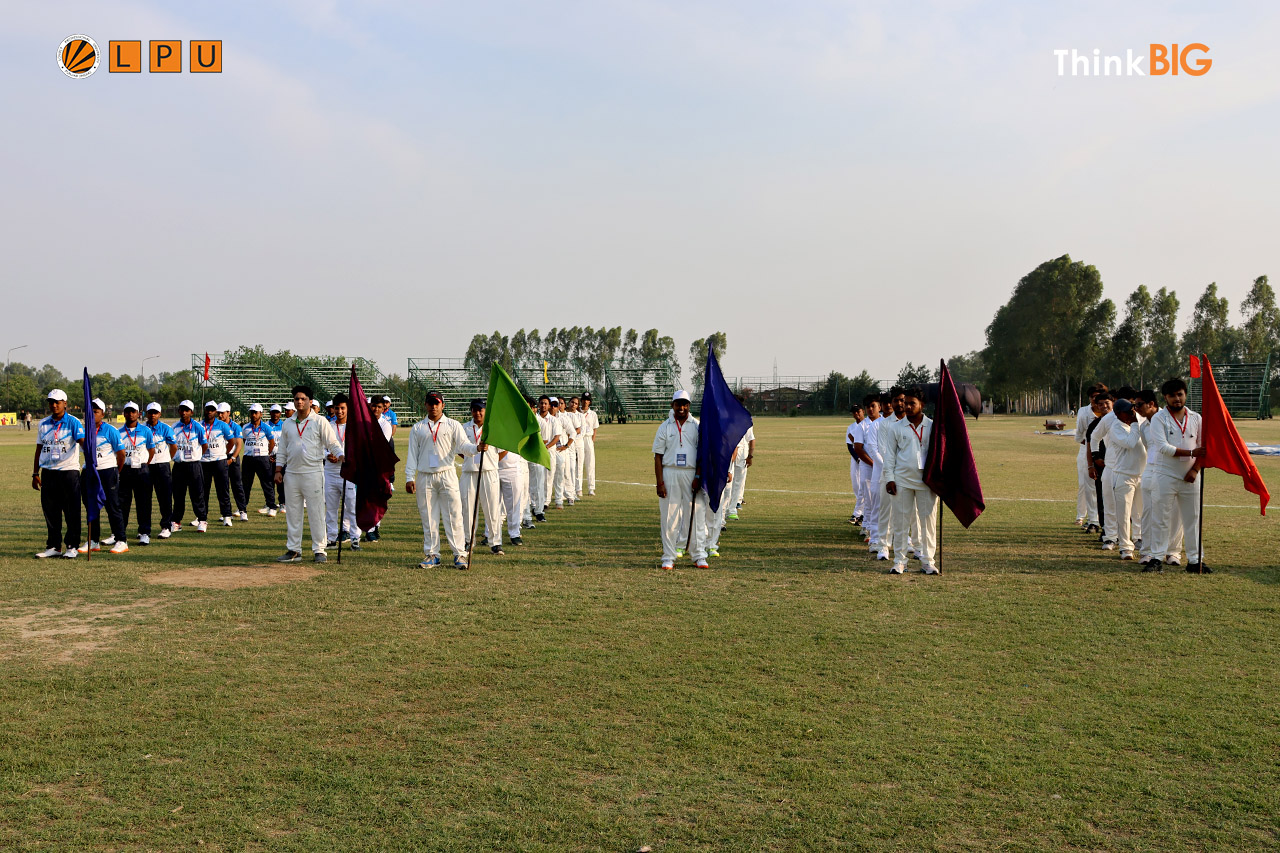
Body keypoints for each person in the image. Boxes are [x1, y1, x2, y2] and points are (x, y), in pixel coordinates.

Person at [274, 385, 345, 563]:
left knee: (316, 512)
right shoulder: (288, 423)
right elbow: (282, 448)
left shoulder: (319, 421)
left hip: (313, 472)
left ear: (310, 401)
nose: (299, 401)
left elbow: (332, 442)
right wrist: (278, 469)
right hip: (291, 473)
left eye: (303, 399)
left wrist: (341, 455)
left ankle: (320, 550)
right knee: (293, 513)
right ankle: (294, 550)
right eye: (296, 399)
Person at [404, 390, 474, 569]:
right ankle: (432, 554)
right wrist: (409, 477)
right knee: (428, 516)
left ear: (443, 405)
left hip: (447, 474)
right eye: (430, 403)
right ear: (425, 405)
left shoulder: (452, 425)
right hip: (425, 476)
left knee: (454, 515)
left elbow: (463, 446)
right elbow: (412, 454)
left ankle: (460, 554)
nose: (433, 406)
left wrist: (476, 448)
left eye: (437, 403)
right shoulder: (418, 428)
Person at [1146, 378, 1207, 573]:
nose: (1177, 399)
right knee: (1161, 518)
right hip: (1165, 475)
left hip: (1191, 476)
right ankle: (1156, 558)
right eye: (1172, 395)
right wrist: (1190, 454)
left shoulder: (1197, 418)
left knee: (1193, 518)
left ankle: (1195, 560)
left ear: (1185, 394)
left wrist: (1195, 469)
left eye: (1180, 394)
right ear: (1165, 397)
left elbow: (1203, 449)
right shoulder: (1158, 418)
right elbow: (1163, 447)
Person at [883, 386, 939, 575]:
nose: (906, 406)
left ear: (922, 405)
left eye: (911, 403)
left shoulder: (933, 426)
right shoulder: (895, 427)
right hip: (902, 481)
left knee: (928, 524)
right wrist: (889, 478)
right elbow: (889, 455)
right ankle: (900, 561)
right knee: (900, 522)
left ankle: (928, 561)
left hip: (927, 482)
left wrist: (941, 480)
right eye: (905, 403)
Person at [653, 390, 708, 570]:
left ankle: (699, 555)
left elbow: (702, 455)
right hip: (670, 473)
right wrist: (660, 482)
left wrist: (698, 476)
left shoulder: (697, 426)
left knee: (697, 516)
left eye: (685, 404)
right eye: (678, 404)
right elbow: (658, 457)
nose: (682, 408)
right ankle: (668, 556)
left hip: (692, 473)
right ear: (672, 405)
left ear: (689, 406)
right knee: (670, 518)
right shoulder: (665, 426)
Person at [32, 389, 85, 558]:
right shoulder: (43, 423)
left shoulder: (74, 422)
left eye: (57, 402)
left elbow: (83, 444)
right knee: (51, 511)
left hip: (69, 472)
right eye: (51, 402)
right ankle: (54, 546)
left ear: (65, 403)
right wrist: (35, 473)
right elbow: (39, 448)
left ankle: (72, 546)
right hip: (49, 473)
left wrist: (91, 463)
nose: (54, 405)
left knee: (71, 511)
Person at [81, 397, 128, 553]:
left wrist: (115, 471)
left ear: (102, 414)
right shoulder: (83, 430)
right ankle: (93, 541)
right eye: (89, 411)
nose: (92, 414)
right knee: (91, 507)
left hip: (107, 471)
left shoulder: (111, 430)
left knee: (113, 506)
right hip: (89, 472)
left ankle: (121, 540)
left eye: (95, 412)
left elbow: (121, 454)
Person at [459, 398, 505, 555]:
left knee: (492, 508)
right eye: (475, 409)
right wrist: (470, 458)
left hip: (489, 472)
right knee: (468, 509)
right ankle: (468, 541)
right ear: (471, 411)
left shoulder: (493, 428)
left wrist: (490, 462)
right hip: (469, 473)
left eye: (481, 410)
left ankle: (495, 542)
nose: (477, 413)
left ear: (485, 411)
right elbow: (460, 449)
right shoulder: (464, 427)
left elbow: (503, 450)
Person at [1104, 398, 1147, 562]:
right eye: (1128, 411)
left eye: (1133, 410)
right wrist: (1136, 424)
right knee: (1123, 515)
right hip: (1124, 476)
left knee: (1141, 513)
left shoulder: (1137, 423)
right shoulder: (1116, 427)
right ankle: (1125, 548)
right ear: (1118, 413)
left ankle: (1141, 541)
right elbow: (1130, 443)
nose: (1132, 413)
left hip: (1141, 475)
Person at [1135, 390, 1172, 567]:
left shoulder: (1167, 420)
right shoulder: (1143, 427)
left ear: (1151, 404)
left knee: (1172, 513)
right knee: (1148, 512)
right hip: (1150, 471)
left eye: (1139, 405)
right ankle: (1147, 552)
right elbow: (1147, 446)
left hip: (1169, 470)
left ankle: (1172, 552)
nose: (1136, 409)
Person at [323, 394, 360, 551]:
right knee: (330, 507)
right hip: (330, 472)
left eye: (342, 408)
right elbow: (320, 446)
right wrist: (327, 455)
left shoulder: (354, 428)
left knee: (351, 506)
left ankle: (355, 539)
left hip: (349, 472)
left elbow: (360, 449)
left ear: (348, 409)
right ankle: (331, 538)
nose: (339, 411)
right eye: (336, 408)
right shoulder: (327, 426)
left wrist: (347, 457)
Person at [118, 402, 156, 546]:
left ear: (138, 413)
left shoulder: (146, 431)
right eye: (127, 411)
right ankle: (120, 533)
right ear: (124, 413)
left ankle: (145, 532)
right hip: (125, 470)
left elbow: (151, 450)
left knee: (144, 503)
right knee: (122, 504)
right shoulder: (119, 432)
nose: (130, 414)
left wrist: (145, 464)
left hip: (141, 470)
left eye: (133, 411)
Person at [853, 395, 885, 558]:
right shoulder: (862, 426)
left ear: (880, 407)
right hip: (868, 466)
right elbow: (858, 448)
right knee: (869, 498)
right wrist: (875, 463)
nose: (870, 409)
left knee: (882, 499)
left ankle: (878, 530)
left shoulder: (885, 423)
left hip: (883, 466)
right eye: (868, 407)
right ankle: (869, 530)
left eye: (873, 406)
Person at [170, 400, 209, 533]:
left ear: (192, 412)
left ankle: (202, 520)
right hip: (179, 465)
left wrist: (196, 456)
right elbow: (171, 445)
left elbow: (204, 445)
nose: (184, 412)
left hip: (194, 465)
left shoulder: (198, 427)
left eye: (187, 410)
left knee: (197, 494)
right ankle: (176, 522)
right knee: (178, 495)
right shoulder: (174, 427)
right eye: (182, 409)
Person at [1073, 383, 1106, 530]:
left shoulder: (1109, 412)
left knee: (1103, 487)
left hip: (1106, 452)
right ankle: (1092, 520)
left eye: (1098, 397)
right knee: (1087, 485)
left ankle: (1103, 520)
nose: (1096, 401)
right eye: (1093, 397)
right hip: (1085, 450)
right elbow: (1079, 435)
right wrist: (1090, 445)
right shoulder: (1083, 412)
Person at [200, 402, 237, 527]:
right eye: (208, 409)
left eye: (212, 410)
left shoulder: (222, 425)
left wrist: (224, 453)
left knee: (223, 490)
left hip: (219, 462)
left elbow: (231, 441)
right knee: (203, 491)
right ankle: (201, 517)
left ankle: (227, 516)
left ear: (215, 411)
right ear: (204, 410)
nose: (210, 412)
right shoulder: (199, 425)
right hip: (204, 462)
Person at [144, 403, 177, 539]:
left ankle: (166, 526)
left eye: (155, 412)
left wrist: (167, 458)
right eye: (150, 412)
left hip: (162, 466)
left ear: (160, 414)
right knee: (145, 498)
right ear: (146, 413)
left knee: (164, 498)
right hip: (146, 466)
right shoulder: (141, 428)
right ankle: (145, 528)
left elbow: (173, 446)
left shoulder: (165, 428)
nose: (152, 415)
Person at [241, 404, 279, 516]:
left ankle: (272, 506)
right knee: (246, 484)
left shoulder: (266, 428)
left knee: (267, 483)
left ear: (261, 414)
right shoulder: (245, 427)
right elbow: (245, 440)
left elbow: (271, 443)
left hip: (262, 458)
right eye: (252, 412)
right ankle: (242, 508)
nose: (253, 415)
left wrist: (266, 454)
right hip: (248, 458)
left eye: (256, 412)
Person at [218, 403, 249, 521]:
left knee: (237, 485)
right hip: (220, 458)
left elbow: (239, 445)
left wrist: (232, 459)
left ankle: (242, 510)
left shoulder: (235, 426)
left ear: (228, 413)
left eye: (222, 413)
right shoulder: (216, 425)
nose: (220, 415)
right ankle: (227, 513)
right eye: (219, 413)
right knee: (223, 486)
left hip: (233, 458)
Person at [531, 396, 557, 522]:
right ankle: (532, 507)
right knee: (529, 484)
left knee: (541, 482)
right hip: (528, 456)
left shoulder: (545, 421)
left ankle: (540, 509)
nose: (543, 406)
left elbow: (547, 439)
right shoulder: (532, 419)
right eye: (541, 403)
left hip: (541, 454)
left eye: (545, 403)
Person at [728, 413, 754, 521]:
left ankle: (732, 509)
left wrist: (750, 456)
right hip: (728, 455)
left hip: (741, 456)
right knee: (727, 484)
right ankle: (724, 511)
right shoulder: (725, 418)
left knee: (737, 483)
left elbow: (751, 438)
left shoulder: (746, 420)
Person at [551, 397, 575, 508]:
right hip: (547, 450)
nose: (553, 407)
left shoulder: (563, 418)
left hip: (560, 450)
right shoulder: (542, 418)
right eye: (552, 404)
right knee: (547, 476)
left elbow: (573, 433)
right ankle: (544, 502)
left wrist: (566, 446)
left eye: (556, 405)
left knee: (563, 474)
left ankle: (565, 498)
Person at [845, 403, 865, 524]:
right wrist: (858, 458)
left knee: (865, 486)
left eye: (858, 411)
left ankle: (858, 514)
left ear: (863, 411)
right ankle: (860, 513)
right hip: (856, 460)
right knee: (856, 485)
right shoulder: (851, 427)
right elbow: (850, 445)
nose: (856, 414)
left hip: (868, 459)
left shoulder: (868, 425)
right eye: (854, 412)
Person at [267, 403, 287, 511]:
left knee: (281, 481)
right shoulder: (265, 425)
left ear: (280, 413)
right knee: (269, 481)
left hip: (281, 457)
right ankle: (270, 503)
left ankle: (282, 503)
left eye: (277, 412)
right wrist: (267, 455)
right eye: (273, 412)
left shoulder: (285, 425)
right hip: (269, 457)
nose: (275, 414)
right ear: (270, 413)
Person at [579, 392, 600, 497]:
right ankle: (578, 488)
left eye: (587, 400)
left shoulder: (593, 414)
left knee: (590, 464)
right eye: (584, 399)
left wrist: (592, 440)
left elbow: (595, 428)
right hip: (579, 439)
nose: (585, 402)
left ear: (590, 401)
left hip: (588, 439)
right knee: (578, 464)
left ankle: (591, 488)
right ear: (581, 400)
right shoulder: (577, 412)